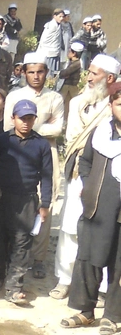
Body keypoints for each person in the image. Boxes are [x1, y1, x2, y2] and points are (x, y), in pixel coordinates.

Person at [54, 55, 120, 300]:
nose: (89, 77)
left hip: (105, 177)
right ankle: (64, 279)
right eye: (89, 72)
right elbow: (72, 137)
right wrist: (82, 174)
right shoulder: (78, 102)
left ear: (110, 78)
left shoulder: (116, 103)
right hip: (77, 170)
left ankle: (100, 288)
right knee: (70, 227)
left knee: (102, 230)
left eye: (95, 73)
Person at [60, 83, 121, 334]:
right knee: (88, 258)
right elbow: (84, 161)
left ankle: (114, 316)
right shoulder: (100, 134)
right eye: (119, 103)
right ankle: (86, 311)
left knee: (119, 263)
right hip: (96, 207)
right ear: (111, 105)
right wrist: (87, 185)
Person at [0, 99, 53, 305]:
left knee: (22, 243)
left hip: (27, 199)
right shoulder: (1, 141)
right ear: (13, 118)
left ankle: (14, 287)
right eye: (21, 118)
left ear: (34, 119)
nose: (25, 122)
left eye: (30, 118)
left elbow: (47, 176)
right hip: (0, 197)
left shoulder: (41, 145)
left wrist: (45, 204)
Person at [4, 52, 65, 279]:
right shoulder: (14, 96)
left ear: (46, 73)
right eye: (31, 72)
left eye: (40, 71)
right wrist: (42, 125)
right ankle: (14, 252)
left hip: (46, 151)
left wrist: (31, 126)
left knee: (44, 203)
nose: (36, 76)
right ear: (24, 73)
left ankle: (38, 258)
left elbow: (58, 128)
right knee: (18, 201)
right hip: (18, 150)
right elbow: (7, 127)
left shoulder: (55, 98)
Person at [57, 41, 84, 121]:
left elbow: (64, 73)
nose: (68, 52)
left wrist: (62, 73)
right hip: (67, 87)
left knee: (68, 106)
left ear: (74, 53)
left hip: (71, 88)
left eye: (70, 51)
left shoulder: (76, 64)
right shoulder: (71, 62)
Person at [38, 9, 66, 77]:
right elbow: (44, 40)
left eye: (63, 17)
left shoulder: (59, 25)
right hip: (49, 53)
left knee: (54, 73)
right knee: (48, 72)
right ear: (54, 16)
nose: (61, 18)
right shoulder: (51, 25)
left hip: (56, 52)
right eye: (60, 16)